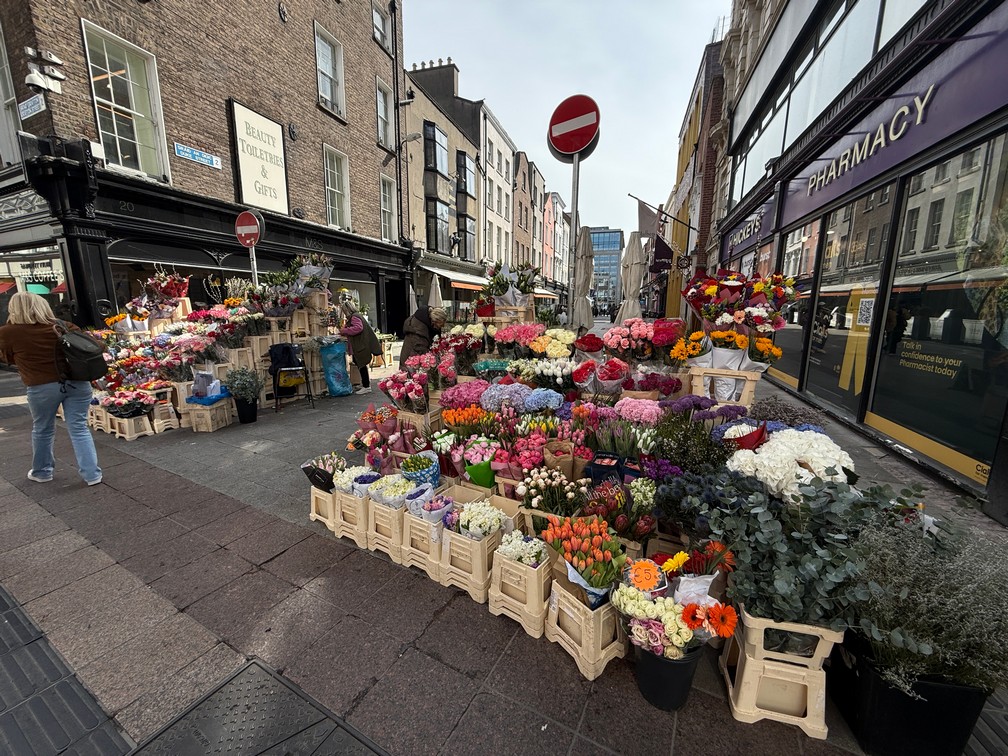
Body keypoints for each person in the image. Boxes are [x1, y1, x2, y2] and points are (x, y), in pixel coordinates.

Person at [0, 292, 102, 485]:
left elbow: (6, 358)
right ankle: (92, 475)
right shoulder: (64, 326)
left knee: (43, 429)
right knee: (79, 428)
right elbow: (96, 346)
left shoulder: (8, 332)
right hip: (78, 383)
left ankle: (42, 472)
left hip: (42, 387)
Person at [339, 302, 382, 395]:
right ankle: (365, 384)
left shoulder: (354, 317)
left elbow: (358, 328)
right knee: (360, 364)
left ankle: (366, 386)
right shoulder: (357, 316)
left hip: (360, 346)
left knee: (361, 364)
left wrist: (344, 330)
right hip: (360, 345)